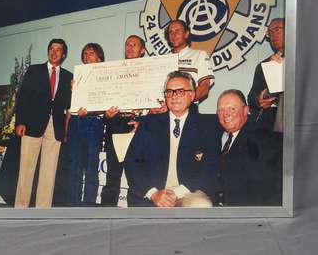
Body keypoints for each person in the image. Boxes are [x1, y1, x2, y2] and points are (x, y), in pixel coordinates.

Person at [124, 71, 219, 207]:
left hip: (188, 193)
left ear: (191, 95)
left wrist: (178, 192)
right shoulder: (148, 123)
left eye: (180, 91)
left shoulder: (207, 126)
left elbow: (210, 167)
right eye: (169, 92)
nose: (174, 96)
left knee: (200, 205)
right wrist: (154, 194)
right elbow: (131, 162)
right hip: (152, 194)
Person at [14, 38, 73, 208]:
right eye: (52, 49)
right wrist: (20, 121)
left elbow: (68, 104)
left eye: (58, 49)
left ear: (64, 54)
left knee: (49, 173)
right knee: (26, 169)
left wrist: (74, 90)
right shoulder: (34, 70)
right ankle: (20, 209)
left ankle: (42, 210)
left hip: (55, 128)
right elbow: (23, 97)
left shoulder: (69, 77)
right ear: (48, 51)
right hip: (31, 124)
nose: (54, 52)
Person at [100, 35, 146, 206]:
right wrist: (107, 115)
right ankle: (106, 215)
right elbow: (103, 104)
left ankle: (136, 217)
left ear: (142, 51)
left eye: (134, 45)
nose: (130, 47)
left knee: (138, 177)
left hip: (140, 127)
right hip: (116, 126)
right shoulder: (114, 72)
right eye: (127, 44)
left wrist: (143, 121)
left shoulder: (151, 72)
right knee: (112, 177)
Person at [215, 89, 282, 206]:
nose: (225, 114)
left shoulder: (260, 139)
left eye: (232, 108)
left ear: (246, 110)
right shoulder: (216, 136)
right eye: (221, 110)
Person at [67, 43, 105, 206]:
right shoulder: (77, 78)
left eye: (91, 53)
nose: (87, 56)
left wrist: (92, 111)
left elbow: (107, 101)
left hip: (93, 122)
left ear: (99, 58)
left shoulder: (106, 76)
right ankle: (73, 203)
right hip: (76, 121)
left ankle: (88, 204)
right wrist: (72, 91)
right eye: (85, 53)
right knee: (74, 164)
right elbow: (70, 107)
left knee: (91, 165)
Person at [248, 18, 285, 132]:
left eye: (277, 29)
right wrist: (259, 100)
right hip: (269, 121)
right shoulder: (264, 65)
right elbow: (251, 98)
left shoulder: (304, 59)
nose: (273, 34)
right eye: (270, 32)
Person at [164, 19, 214, 103]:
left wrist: (185, 103)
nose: (174, 34)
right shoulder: (162, 59)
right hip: (163, 110)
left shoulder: (199, 55)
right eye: (170, 32)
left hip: (188, 109)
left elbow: (204, 87)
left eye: (177, 30)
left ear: (186, 34)